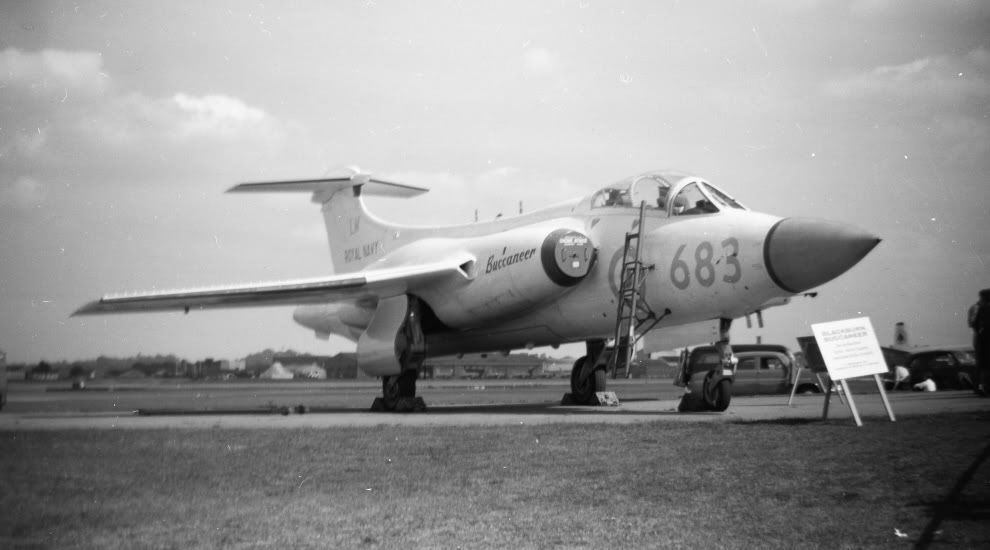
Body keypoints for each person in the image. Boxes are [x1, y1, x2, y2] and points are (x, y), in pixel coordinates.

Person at [971, 288, 990, 396]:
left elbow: (975, 324)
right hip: (985, 340)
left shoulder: (983, 309)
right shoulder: (982, 308)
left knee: (984, 365)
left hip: (984, 340)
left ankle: (985, 388)